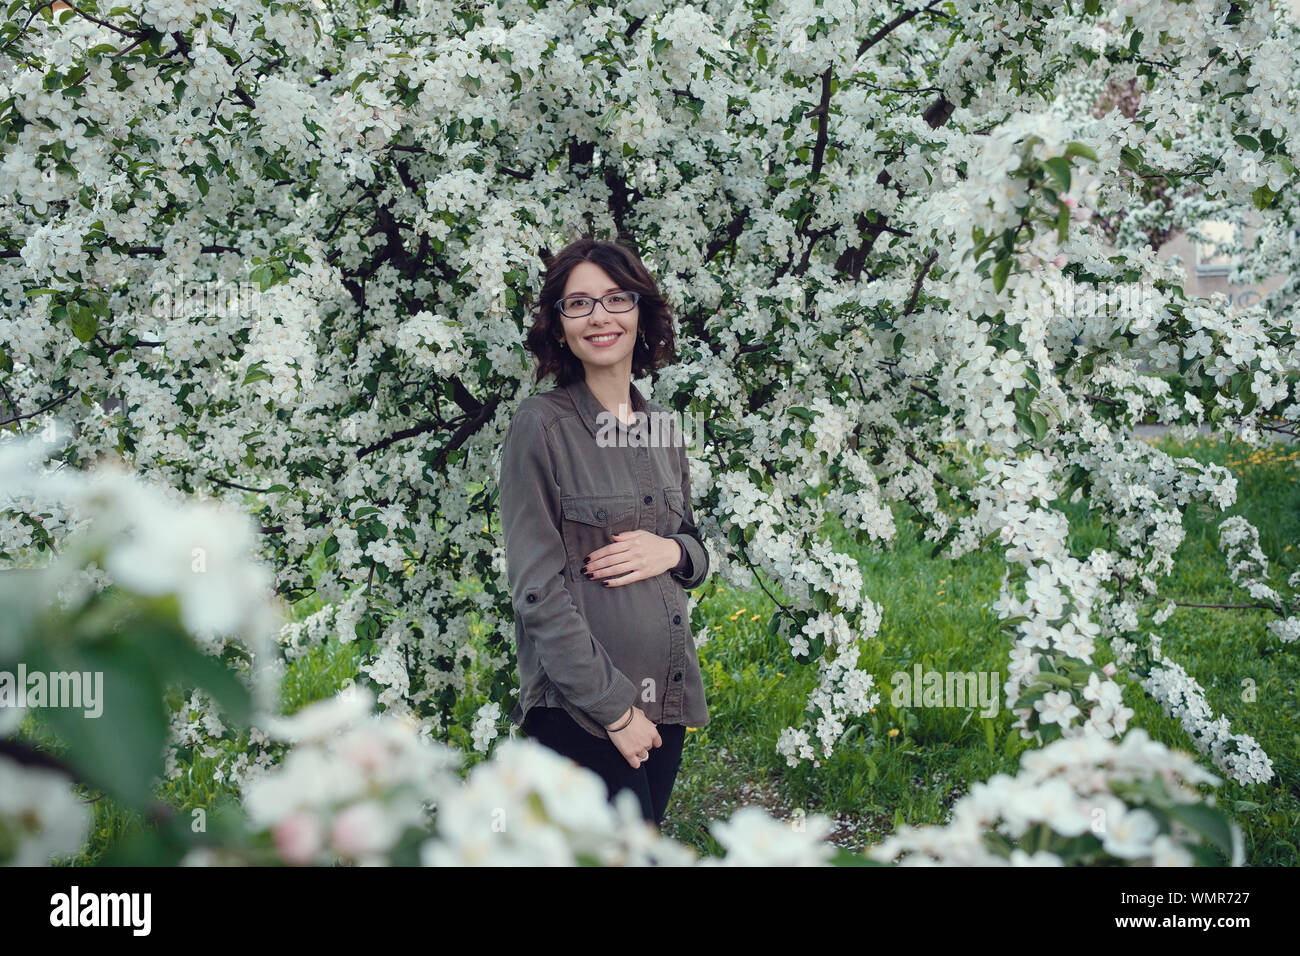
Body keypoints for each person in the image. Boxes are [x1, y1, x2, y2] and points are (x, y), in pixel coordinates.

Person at [497, 237, 711, 829]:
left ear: (641, 312)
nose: (599, 317)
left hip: (664, 700)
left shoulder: (664, 430)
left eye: (616, 299)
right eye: (578, 304)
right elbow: (536, 592)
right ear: (559, 326)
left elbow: (694, 549)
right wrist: (615, 710)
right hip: (582, 710)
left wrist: (671, 550)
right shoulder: (541, 428)